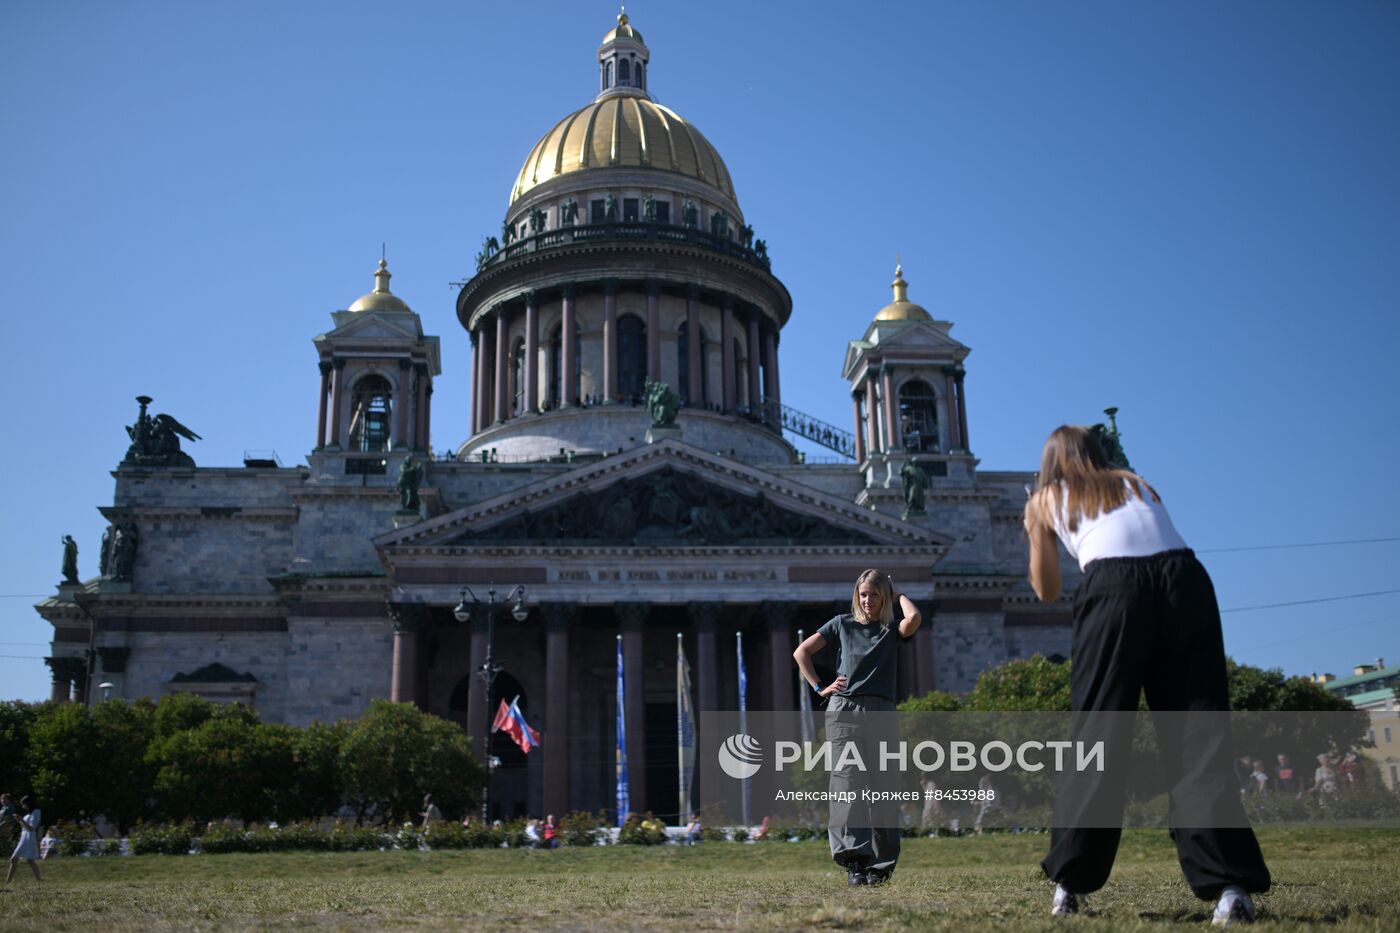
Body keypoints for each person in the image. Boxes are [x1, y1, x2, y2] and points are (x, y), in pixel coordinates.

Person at [1024, 425, 1270, 924]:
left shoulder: (1047, 497)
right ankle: (1229, 887)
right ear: (1098, 453)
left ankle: (1070, 883)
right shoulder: (1136, 482)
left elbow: (1047, 589)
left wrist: (1036, 526)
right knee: (1197, 735)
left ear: (1049, 463)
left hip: (1114, 588)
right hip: (1186, 579)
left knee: (1097, 733)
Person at [794, 569, 922, 887]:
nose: (867, 600)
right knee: (847, 784)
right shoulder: (841, 623)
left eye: (874, 594)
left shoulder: (891, 628)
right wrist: (820, 687)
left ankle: (881, 865)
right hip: (844, 711)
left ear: (884, 596)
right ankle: (855, 862)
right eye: (863, 594)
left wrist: (898, 593)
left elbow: (915, 618)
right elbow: (802, 652)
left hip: (881, 710)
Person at [5, 796, 42, 884]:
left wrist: (21, 820)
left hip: (30, 837)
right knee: (24, 860)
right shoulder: (28, 814)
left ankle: (8, 881)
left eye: (24, 804)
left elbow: (31, 828)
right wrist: (19, 820)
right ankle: (8, 881)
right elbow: (25, 827)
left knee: (25, 859)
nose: (23, 806)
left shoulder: (36, 812)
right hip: (24, 836)